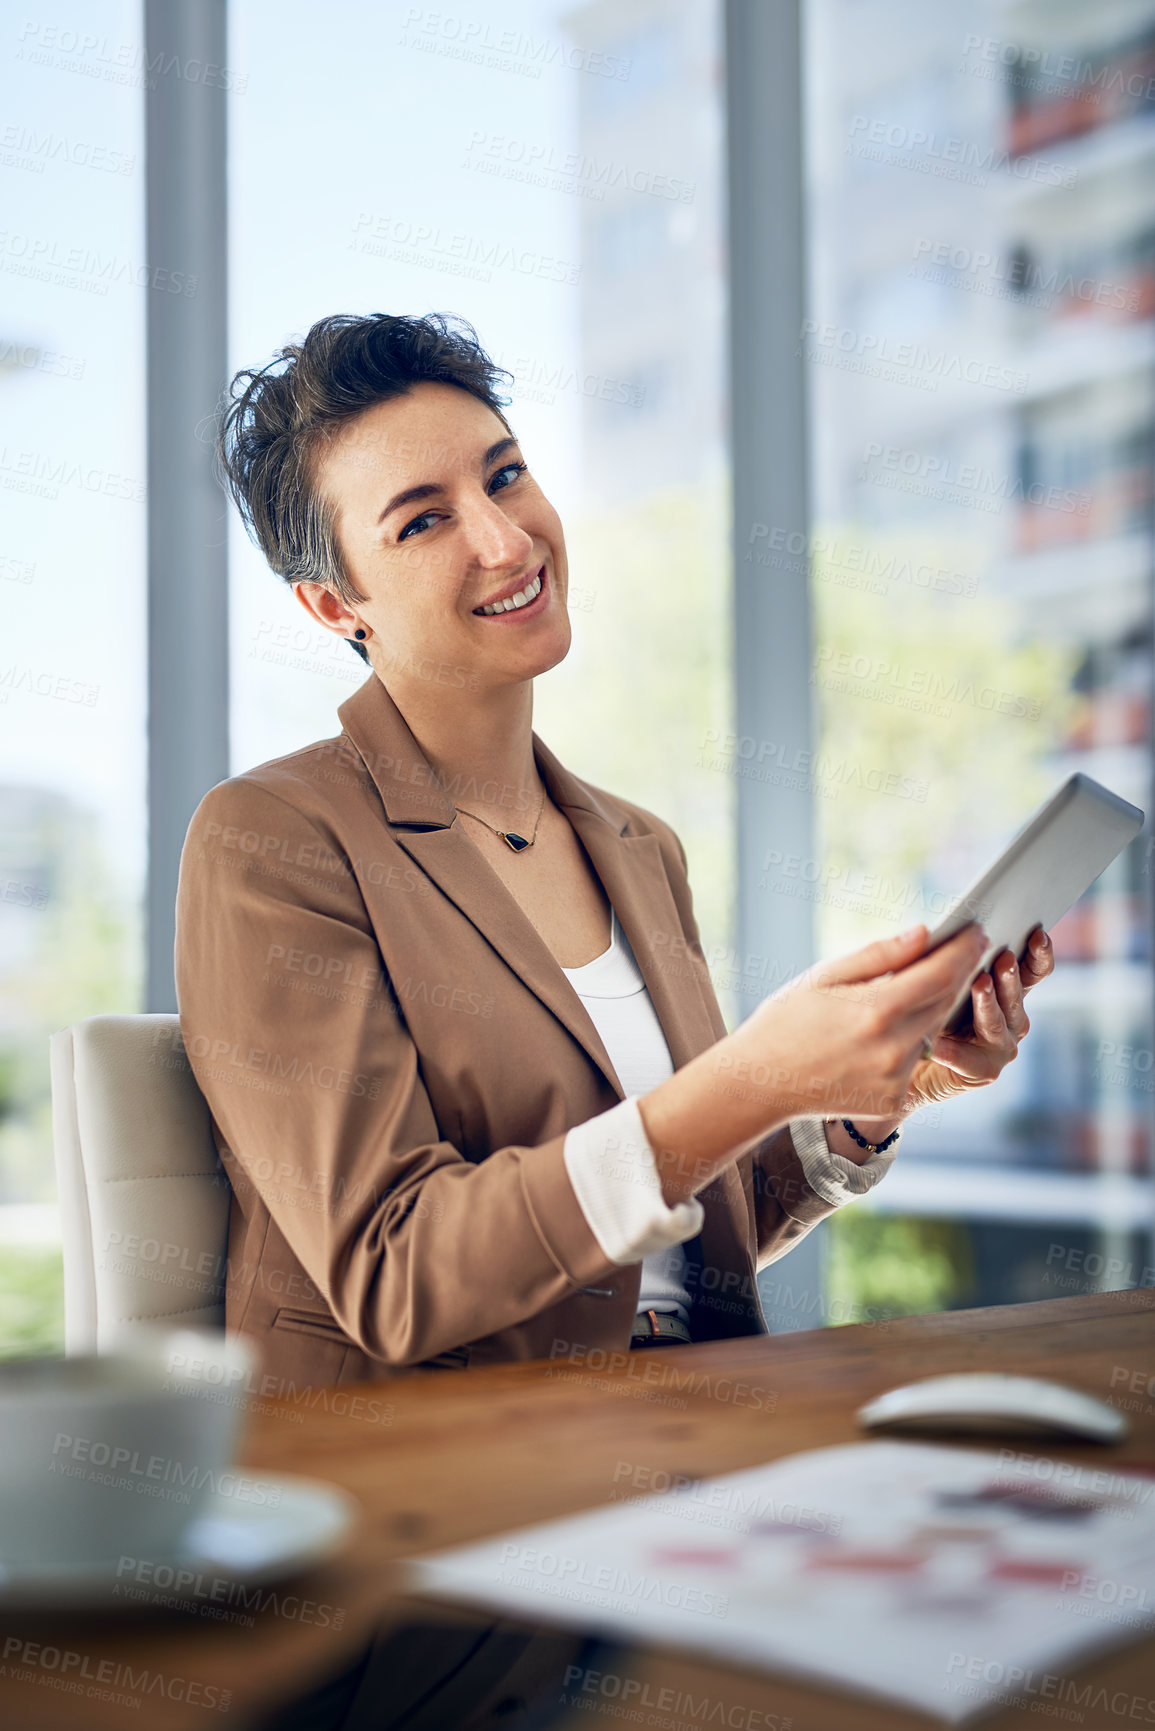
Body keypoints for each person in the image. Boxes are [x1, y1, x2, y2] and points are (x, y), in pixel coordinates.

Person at [175, 311, 1052, 1386]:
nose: (504, 540)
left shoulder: (639, 846)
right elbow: (393, 1275)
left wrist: (878, 1095)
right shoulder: (274, 840)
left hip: (684, 1420)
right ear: (331, 604)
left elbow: (680, 1229)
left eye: (504, 477)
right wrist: (756, 1073)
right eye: (421, 523)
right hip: (432, 1475)